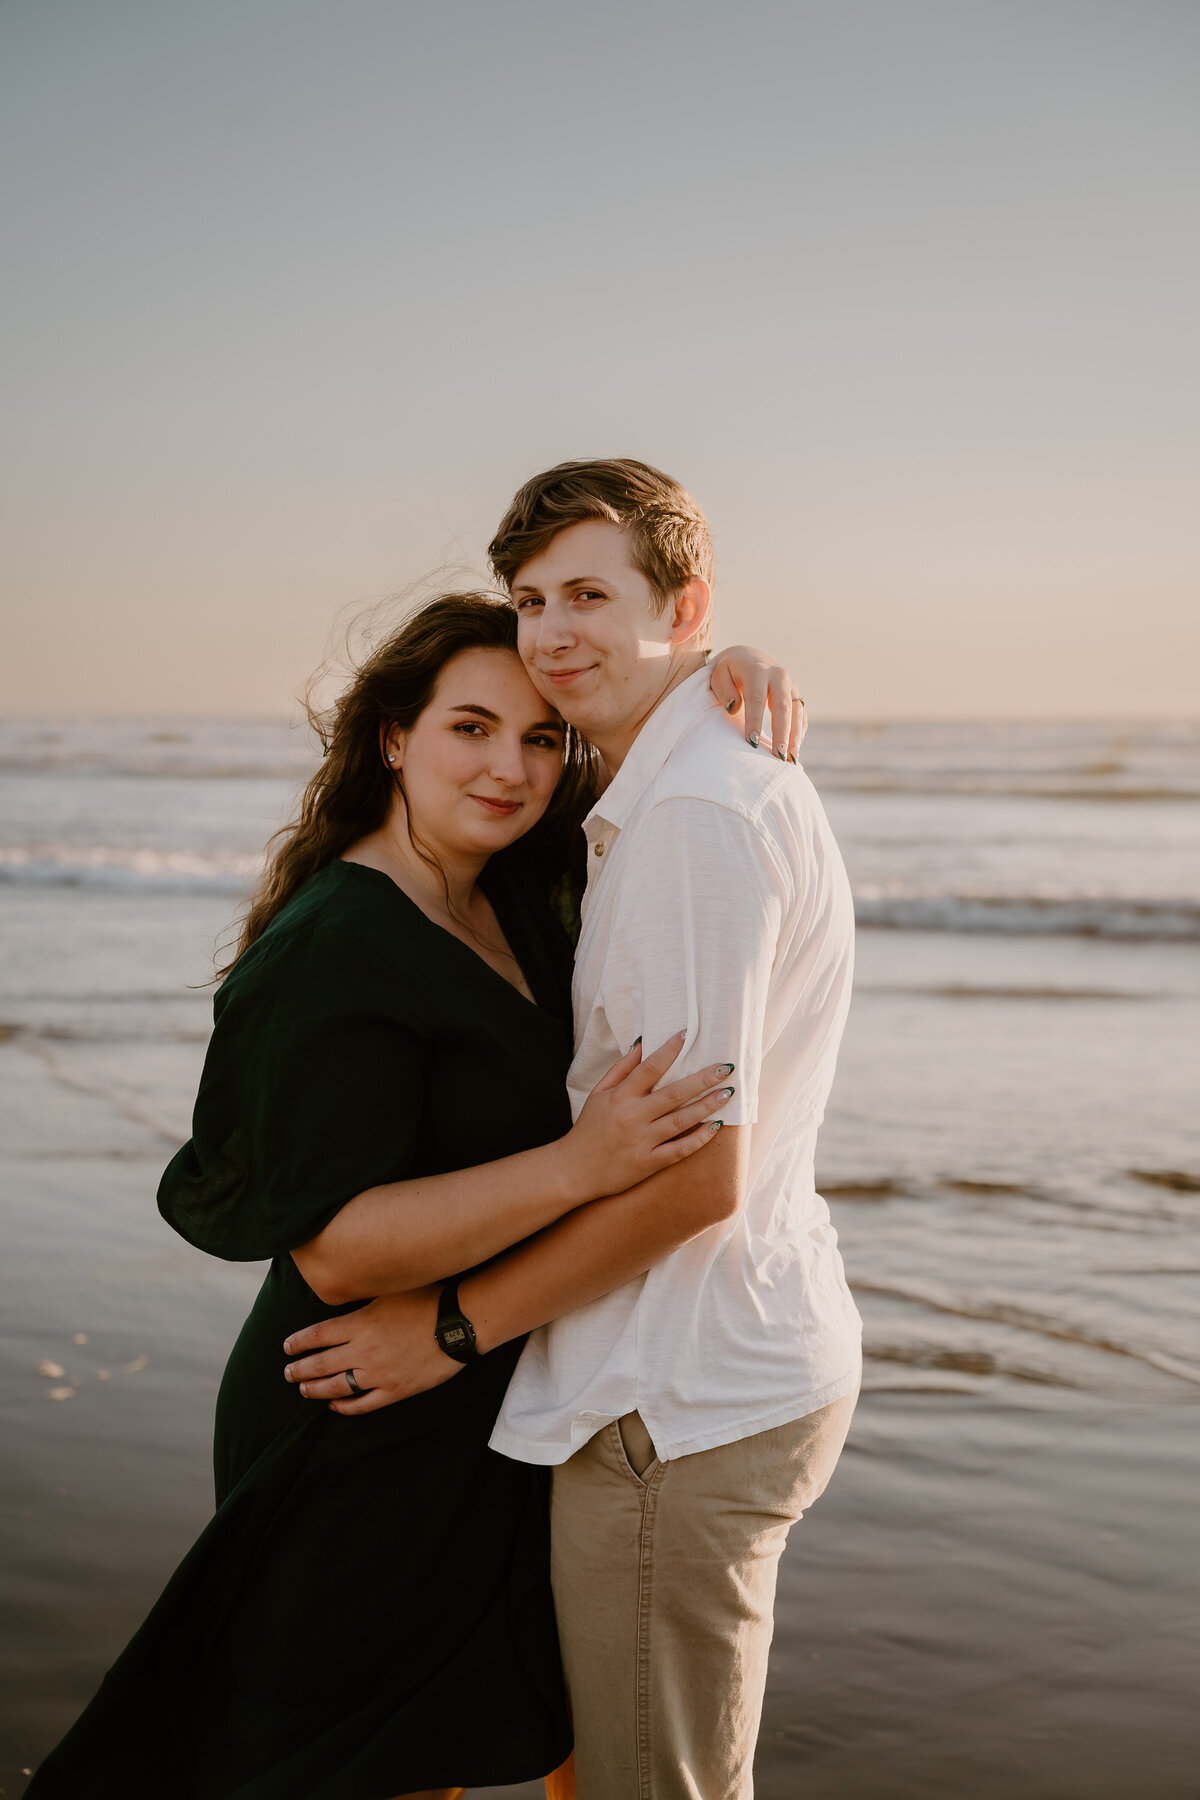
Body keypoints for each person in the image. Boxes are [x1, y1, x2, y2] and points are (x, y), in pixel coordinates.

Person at [28, 590, 798, 1800]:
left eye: (543, 738)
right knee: (365, 1765)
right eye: (471, 729)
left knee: (514, 1727)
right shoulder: (335, 941)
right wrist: (578, 1165)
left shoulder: (524, 886)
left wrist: (718, 669)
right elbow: (335, 1254)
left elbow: (654, 761)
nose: (511, 768)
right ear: (394, 737)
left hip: (486, 1380)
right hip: (360, 1392)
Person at [284, 461, 861, 1800]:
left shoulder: (692, 823)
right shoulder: (648, 795)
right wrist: (713, 658)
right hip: (699, 1366)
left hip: (674, 1390)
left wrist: (446, 1333)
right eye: (533, 598)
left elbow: (693, 1177)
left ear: (686, 605)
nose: (551, 633)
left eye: (591, 595)